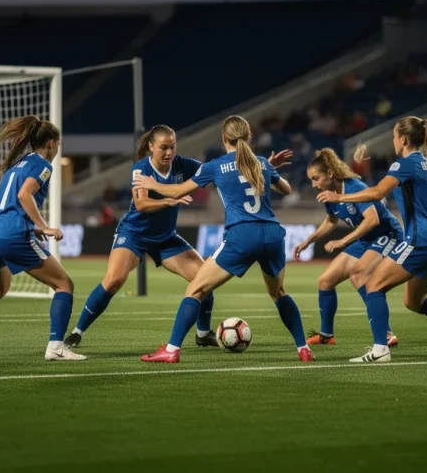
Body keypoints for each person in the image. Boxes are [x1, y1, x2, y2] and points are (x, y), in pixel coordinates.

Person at [66, 124, 292, 349]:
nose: (168, 152)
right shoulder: (141, 168)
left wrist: (264, 167)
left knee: (202, 280)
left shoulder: (184, 165)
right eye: (163, 147)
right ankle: (77, 332)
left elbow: (224, 171)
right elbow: (141, 203)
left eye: (172, 147)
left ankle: (203, 334)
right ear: (151, 147)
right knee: (114, 281)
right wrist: (168, 200)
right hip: (134, 234)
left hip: (166, 239)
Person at [132, 115, 313, 363]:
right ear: (248, 137)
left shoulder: (215, 166)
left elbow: (177, 190)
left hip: (242, 236)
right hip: (272, 235)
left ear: (223, 138)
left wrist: (153, 183)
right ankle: (303, 348)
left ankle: (171, 350)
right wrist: (268, 168)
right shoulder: (260, 162)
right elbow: (287, 190)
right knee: (279, 292)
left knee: (195, 289)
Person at [316, 116, 427, 363]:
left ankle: (380, 349)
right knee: (413, 301)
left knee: (373, 284)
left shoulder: (403, 164)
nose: (394, 141)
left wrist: (338, 198)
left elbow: (377, 192)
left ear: (404, 139)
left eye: (395, 137)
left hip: (420, 240)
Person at [0, 116, 85, 361]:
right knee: (64, 285)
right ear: (51, 143)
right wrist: (45, 227)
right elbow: (24, 195)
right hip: (11, 235)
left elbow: (10, 204)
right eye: (59, 142)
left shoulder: (18, 163)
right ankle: (56, 348)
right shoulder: (43, 165)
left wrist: (36, 229)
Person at [295, 147, 401, 347]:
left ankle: (386, 334)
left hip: (387, 234)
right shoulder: (329, 193)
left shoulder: (353, 187)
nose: (313, 184)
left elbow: (373, 220)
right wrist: (308, 241)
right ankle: (327, 335)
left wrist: (343, 242)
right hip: (366, 240)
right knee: (325, 281)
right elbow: (331, 221)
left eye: (316, 178)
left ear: (330, 174)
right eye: (311, 179)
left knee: (358, 274)